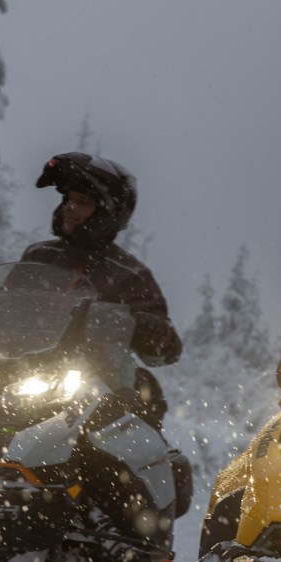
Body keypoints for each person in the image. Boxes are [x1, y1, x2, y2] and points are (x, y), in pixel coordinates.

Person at [23, 152, 181, 429]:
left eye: (83, 202)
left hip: (97, 389)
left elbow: (162, 351)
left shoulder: (130, 274)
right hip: (24, 374)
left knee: (129, 425)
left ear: (108, 213)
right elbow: (4, 306)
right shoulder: (38, 256)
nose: (71, 208)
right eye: (68, 200)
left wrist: (153, 332)